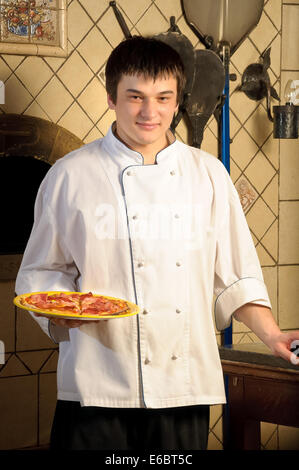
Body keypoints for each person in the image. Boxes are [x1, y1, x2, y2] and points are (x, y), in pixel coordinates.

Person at [15, 36, 299, 451]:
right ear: (111, 96)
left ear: (178, 99)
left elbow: (236, 274)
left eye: (164, 98)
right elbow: (42, 272)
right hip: (96, 382)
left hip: (182, 384)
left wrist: (272, 334)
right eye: (135, 97)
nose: (151, 112)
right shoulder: (69, 175)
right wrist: (60, 315)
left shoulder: (208, 175)